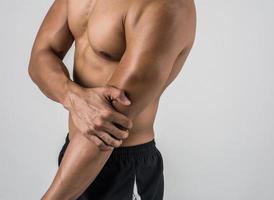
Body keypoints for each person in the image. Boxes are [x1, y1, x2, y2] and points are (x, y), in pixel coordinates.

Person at [28, 0, 196, 199]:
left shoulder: (166, 6)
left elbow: (107, 119)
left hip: (123, 167)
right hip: (73, 154)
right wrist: (71, 96)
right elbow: (41, 55)